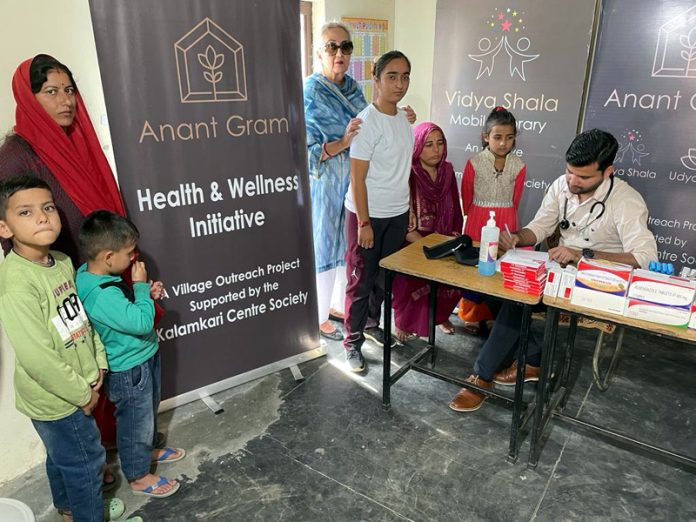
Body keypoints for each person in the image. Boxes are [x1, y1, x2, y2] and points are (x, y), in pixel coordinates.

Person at [449, 129, 658, 412]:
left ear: (608, 171)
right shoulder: (562, 185)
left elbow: (644, 257)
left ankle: (481, 376)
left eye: (583, 177)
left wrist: (582, 255)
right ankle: (534, 361)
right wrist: (517, 238)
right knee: (497, 285)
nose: (573, 181)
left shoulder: (626, 201)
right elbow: (541, 226)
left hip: (596, 282)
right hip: (557, 274)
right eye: (570, 172)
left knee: (517, 301)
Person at [0, 54, 128, 475]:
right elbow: (16, 233)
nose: (65, 101)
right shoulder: (17, 154)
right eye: (51, 92)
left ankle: (110, 446)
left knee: (100, 364)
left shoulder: (76, 138)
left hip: (89, 278)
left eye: (69, 90)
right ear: (30, 97)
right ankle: (92, 466)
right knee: (77, 376)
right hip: (59, 287)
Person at [0, 175, 137, 522]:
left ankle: (69, 510)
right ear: (4, 228)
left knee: (61, 458)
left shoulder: (61, 261)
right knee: (87, 463)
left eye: (47, 208)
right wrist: (82, 393)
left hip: (80, 384)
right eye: (26, 212)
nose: (43, 217)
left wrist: (100, 364)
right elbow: (37, 356)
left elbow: (80, 322)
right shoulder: (16, 283)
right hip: (60, 399)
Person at [303, 24, 416, 342]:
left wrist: (400, 121)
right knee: (329, 249)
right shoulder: (311, 92)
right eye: (331, 47)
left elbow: (377, 123)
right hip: (328, 182)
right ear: (319, 52)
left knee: (355, 261)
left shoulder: (354, 89)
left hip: (364, 185)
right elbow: (306, 152)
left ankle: (351, 314)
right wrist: (343, 142)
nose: (340, 53)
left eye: (346, 47)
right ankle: (320, 315)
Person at [76, 211, 184, 498]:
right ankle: (138, 476)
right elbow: (140, 323)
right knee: (136, 422)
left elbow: (128, 313)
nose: (135, 257)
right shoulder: (101, 294)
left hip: (141, 357)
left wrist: (145, 295)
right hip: (130, 367)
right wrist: (139, 287)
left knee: (146, 415)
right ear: (108, 257)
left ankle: (146, 451)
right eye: (129, 252)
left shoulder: (91, 274)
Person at [343, 51, 414, 372]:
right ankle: (351, 342)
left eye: (405, 76)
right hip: (366, 216)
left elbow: (400, 169)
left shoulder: (403, 119)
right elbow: (357, 178)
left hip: (397, 215)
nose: (400, 84)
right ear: (376, 80)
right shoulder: (366, 123)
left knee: (383, 280)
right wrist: (365, 223)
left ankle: (371, 325)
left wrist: (408, 207)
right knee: (360, 282)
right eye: (392, 76)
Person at [391, 122, 463, 341]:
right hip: (413, 240)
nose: (436, 150)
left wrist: (452, 239)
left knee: (455, 273)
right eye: (428, 144)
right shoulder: (408, 174)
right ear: (416, 147)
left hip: (443, 238)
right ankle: (403, 322)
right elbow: (404, 220)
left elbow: (456, 211)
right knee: (411, 279)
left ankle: (438, 316)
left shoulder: (447, 171)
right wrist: (427, 245)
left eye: (440, 143)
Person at [458, 107, 526, 334]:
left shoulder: (519, 166)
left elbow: (516, 198)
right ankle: (472, 315)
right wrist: (474, 215)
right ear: (486, 137)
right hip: (478, 220)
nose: (503, 143)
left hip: (506, 218)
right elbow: (466, 194)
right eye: (497, 137)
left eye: (509, 138)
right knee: (476, 267)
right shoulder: (474, 162)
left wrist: (507, 216)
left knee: (499, 266)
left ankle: (497, 315)